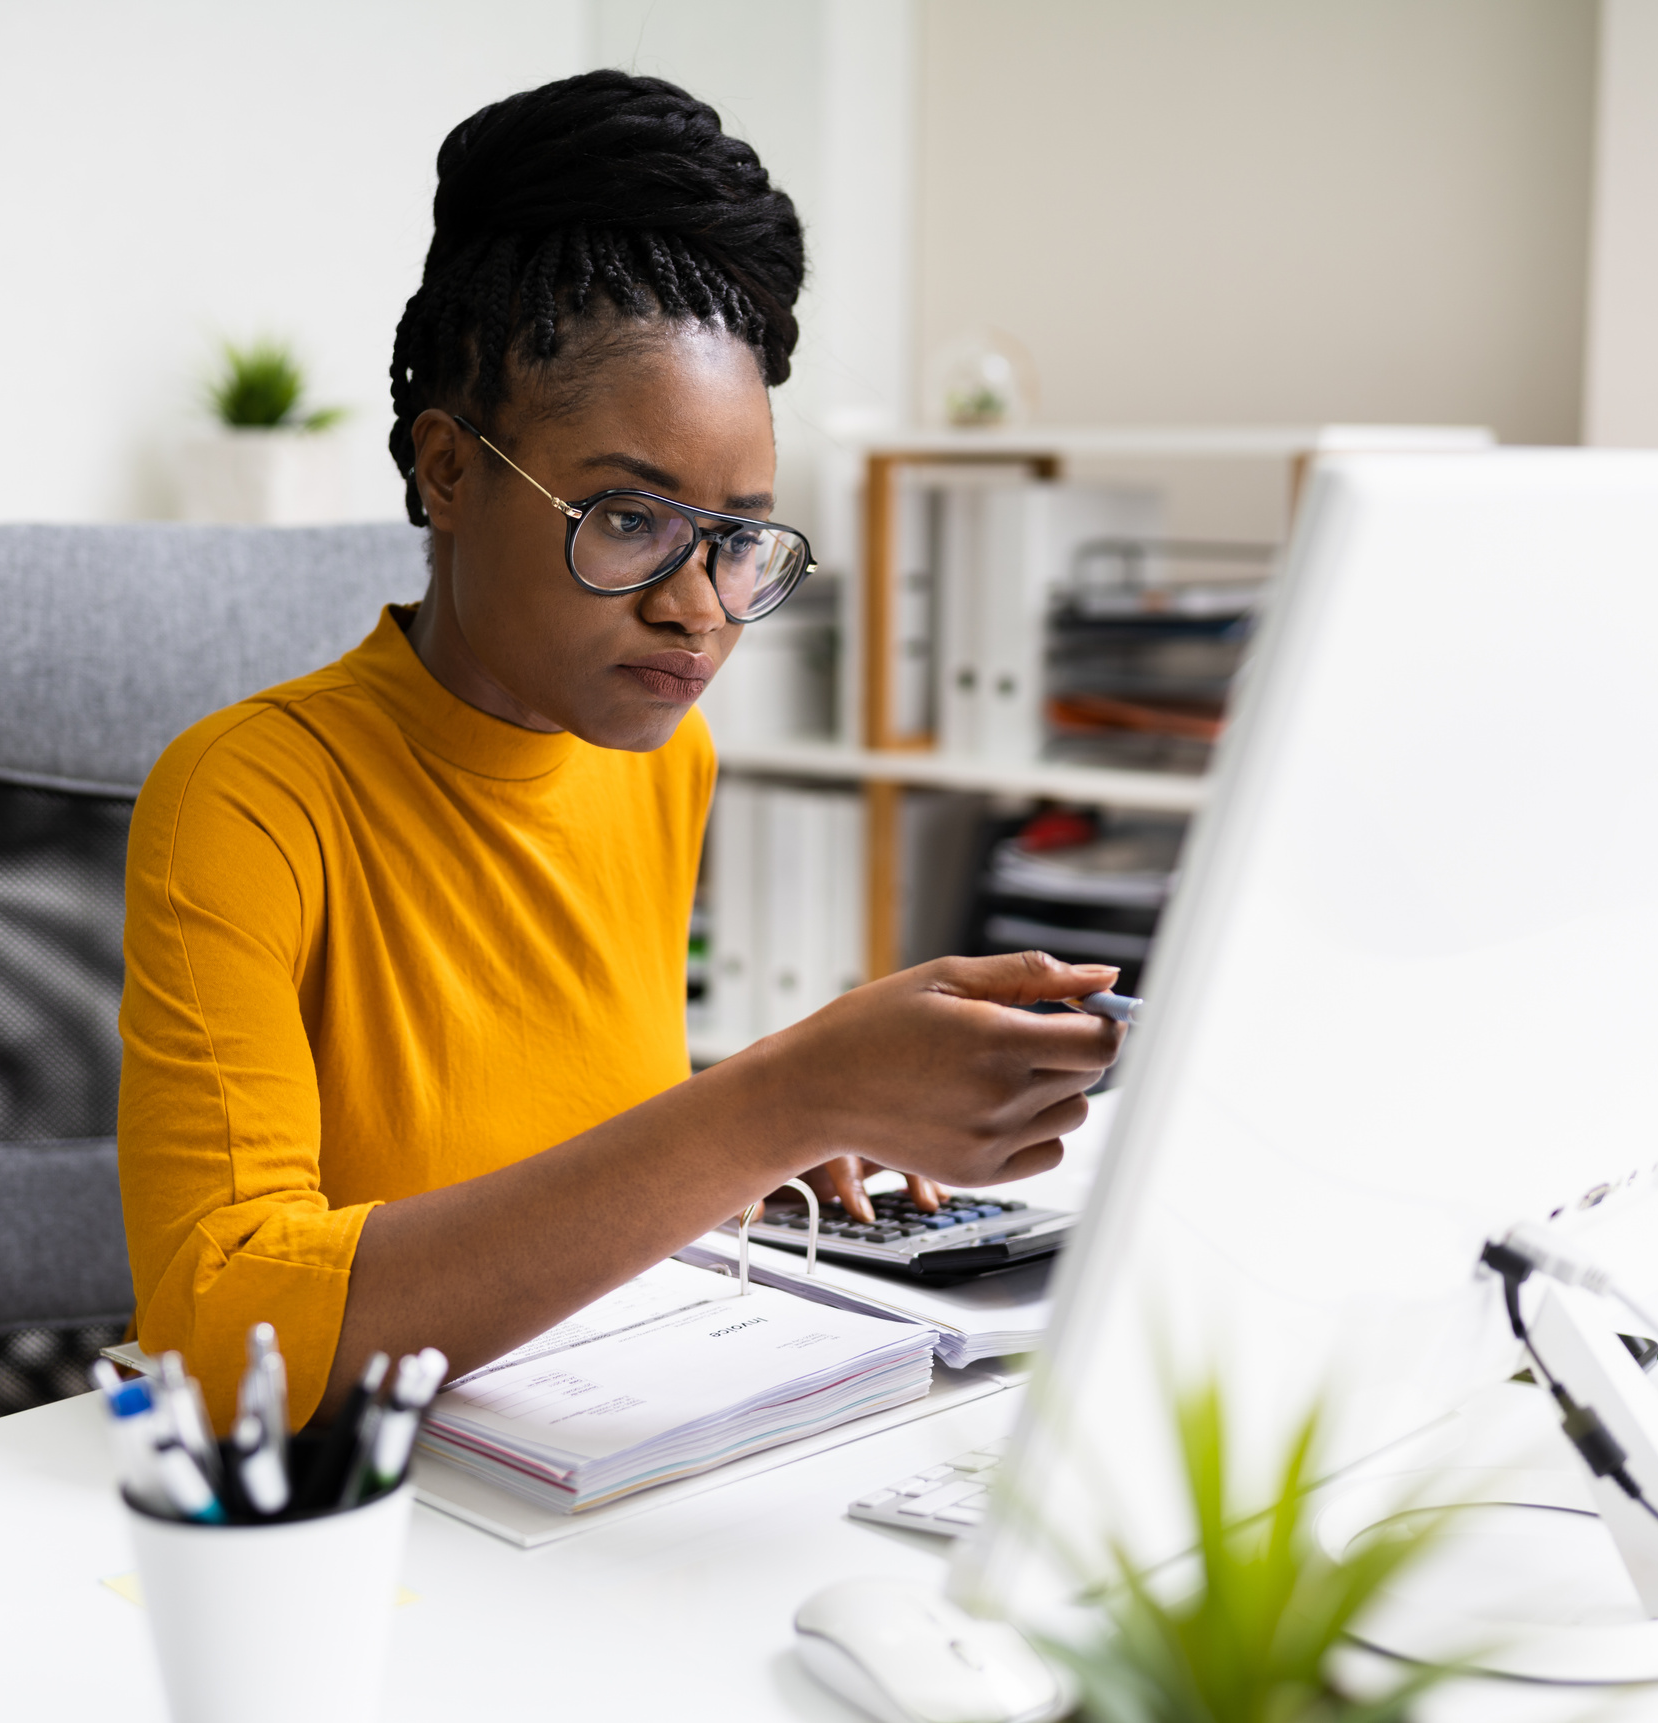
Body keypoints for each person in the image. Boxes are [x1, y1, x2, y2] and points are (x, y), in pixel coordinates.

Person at [117, 71, 1124, 1430]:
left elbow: (556, 1130)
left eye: (736, 539)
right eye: (630, 521)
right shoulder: (246, 798)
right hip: (354, 1505)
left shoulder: (662, 752)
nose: (697, 607)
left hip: (592, 1430)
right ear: (449, 471)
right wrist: (770, 1103)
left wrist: (756, 1153)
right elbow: (219, 1328)